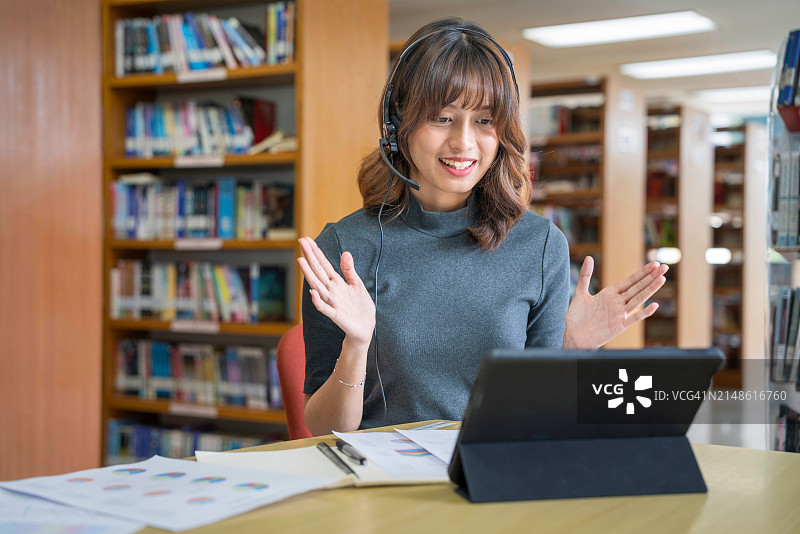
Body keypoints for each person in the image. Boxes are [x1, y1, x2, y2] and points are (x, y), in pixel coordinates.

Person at [297, 18, 668, 436]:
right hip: (381, 474)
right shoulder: (344, 249)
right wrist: (356, 345)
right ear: (397, 124)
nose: (464, 142)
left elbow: (542, 419)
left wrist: (573, 351)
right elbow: (324, 430)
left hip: (493, 465)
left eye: (485, 121)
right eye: (442, 118)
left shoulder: (539, 245)